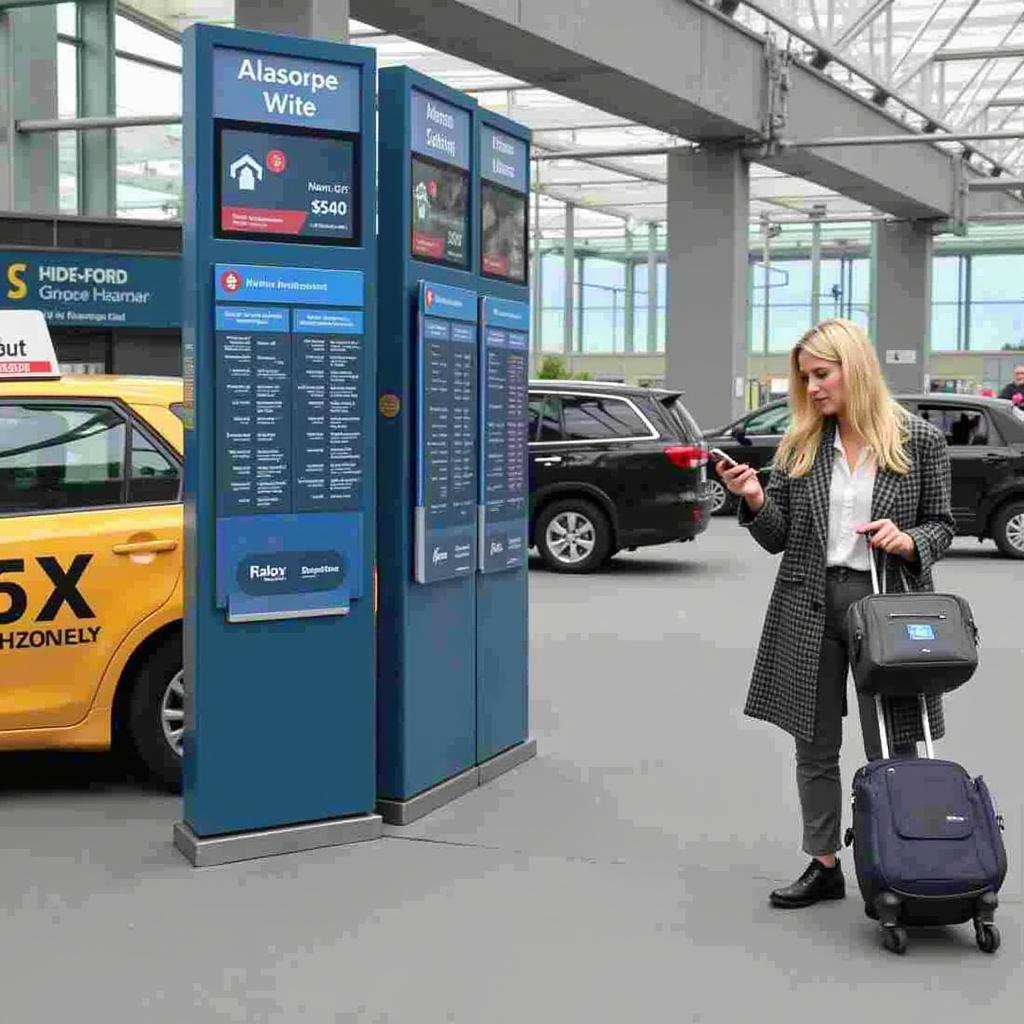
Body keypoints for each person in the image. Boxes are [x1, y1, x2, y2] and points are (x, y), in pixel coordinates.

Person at [716, 319, 955, 910]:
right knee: (814, 740)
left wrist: (908, 540)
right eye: (806, 378)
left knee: (895, 738)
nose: (813, 388)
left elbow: (944, 526)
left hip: (886, 608)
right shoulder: (801, 444)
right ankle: (824, 864)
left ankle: (900, 860)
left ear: (855, 367)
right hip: (808, 601)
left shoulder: (918, 440)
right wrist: (753, 498)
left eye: (822, 375)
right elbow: (780, 538)